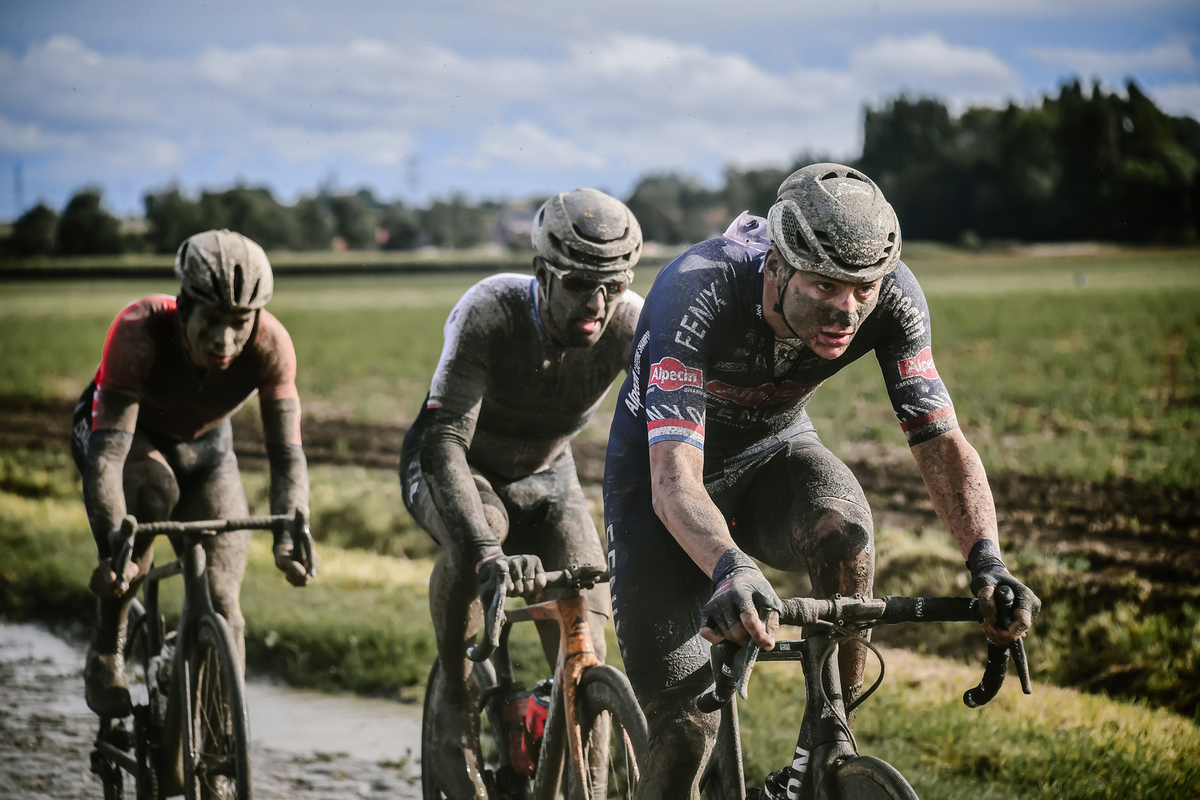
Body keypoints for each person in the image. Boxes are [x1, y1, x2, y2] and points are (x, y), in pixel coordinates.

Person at [602, 163, 1041, 800]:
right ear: (777, 265)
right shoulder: (698, 289)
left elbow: (941, 441)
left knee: (846, 533)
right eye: (826, 285)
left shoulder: (890, 296)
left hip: (773, 453)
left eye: (864, 288)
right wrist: (729, 566)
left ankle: (822, 748)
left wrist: (987, 562)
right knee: (684, 734)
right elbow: (672, 481)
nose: (847, 308)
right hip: (662, 481)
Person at [401, 188, 644, 800]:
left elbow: (665, 437)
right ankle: (456, 704)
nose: (597, 304)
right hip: (459, 464)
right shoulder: (490, 311)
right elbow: (444, 443)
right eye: (579, 284)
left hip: (548, 477)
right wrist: (485, 549)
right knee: (480, 530)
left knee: (586, 625)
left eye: (612, 286)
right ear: (541, 273)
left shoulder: (630, 323)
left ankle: (577, 751)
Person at [73, 229, 315, 720]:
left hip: (207, 453)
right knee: (152, 496)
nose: (225, 341)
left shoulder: (272, 345)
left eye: (239, 323)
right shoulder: (138, 329)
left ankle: (217, 744)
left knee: (224, 600)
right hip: (125, 438)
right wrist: (115, 545)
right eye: (211, 322)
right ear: (183, 307)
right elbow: (107, 461)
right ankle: (107, 646)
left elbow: (287, 458)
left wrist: (292, 533)